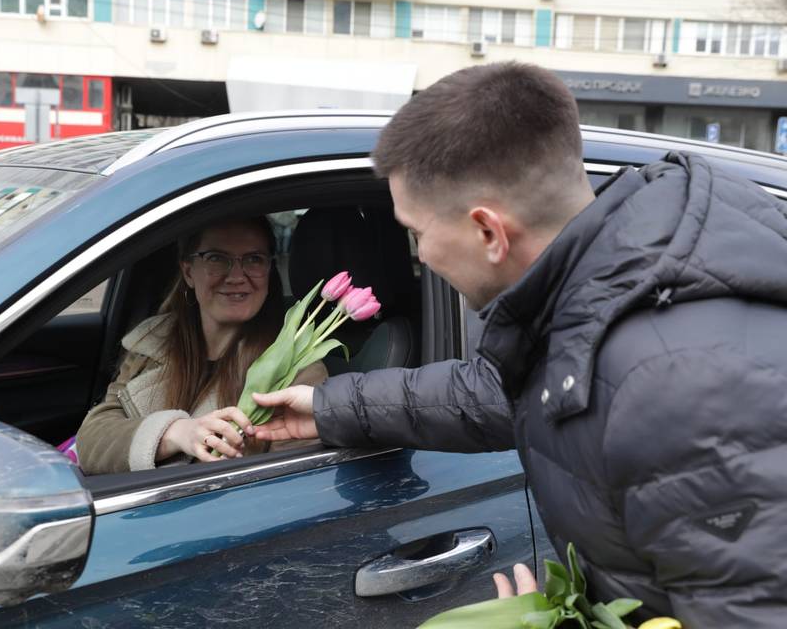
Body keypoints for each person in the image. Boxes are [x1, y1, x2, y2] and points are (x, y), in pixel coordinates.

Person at [252, 62, 787, 627]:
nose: (422, 257)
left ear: (488, 232)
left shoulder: (684, 387)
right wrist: (330, 406)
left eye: (417, 233)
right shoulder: (597, 296)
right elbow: (501, 391)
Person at [76, 216, 326, 475]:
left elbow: (290, 486)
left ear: (268, 270)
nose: (237, 276)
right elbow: (93, 440)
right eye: (217, 258)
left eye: (254, 259)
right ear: (188, 272)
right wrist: (173, 432)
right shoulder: (149, 342)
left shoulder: (297, 366)